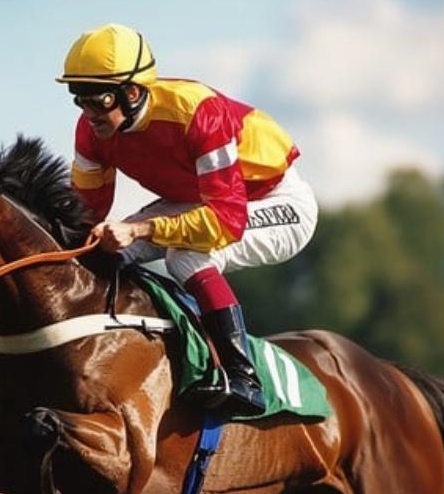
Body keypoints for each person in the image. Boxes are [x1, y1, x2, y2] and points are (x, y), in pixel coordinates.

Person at [57, 23, 318, 411]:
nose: (88, 112)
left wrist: (141, 228)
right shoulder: (92, 131)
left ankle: (243, 378)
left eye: (98, 100)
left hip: (273, 202)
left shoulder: (198, 111)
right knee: (101, 254)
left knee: (187, 256)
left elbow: (226, 220)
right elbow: (84, 214)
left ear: (131, 93)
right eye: (79, 99)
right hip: (198, 201)